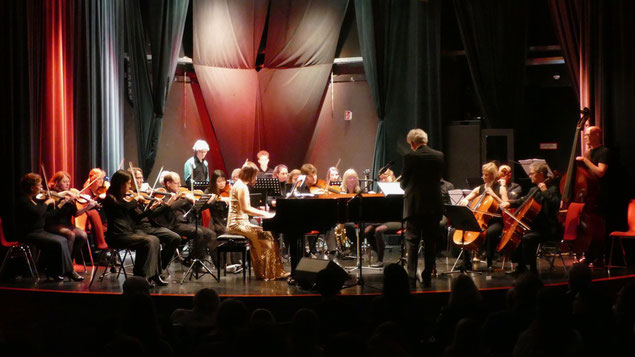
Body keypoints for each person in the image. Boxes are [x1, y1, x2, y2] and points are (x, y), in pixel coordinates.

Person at [102, 170, 168, 285]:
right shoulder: (110, 199)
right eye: (128, 183)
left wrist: (151, 208)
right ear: (121, 184)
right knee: (147, 241)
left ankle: (155, 275)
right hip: (117, 236)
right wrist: (135, 200)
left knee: (155, 240)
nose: (130, 186)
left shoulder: (123, 199)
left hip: (127, 233)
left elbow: (138, 217)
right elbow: (122, 208)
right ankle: (140, 277)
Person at [226, 161, 288, 280]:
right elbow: (246, 209)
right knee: (266, 235)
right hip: (236, 224)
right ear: (250, 175)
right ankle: (269, 273)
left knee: (267, 234)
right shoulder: (241, 187)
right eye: (254, 175)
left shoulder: (240, 185)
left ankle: (270, 272)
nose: (256, 178)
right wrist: (264, 213)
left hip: (241, 223)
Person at [15, 173, 82, 281]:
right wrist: (47, 203)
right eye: (39, 185)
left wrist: (60, 205)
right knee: (60, 241)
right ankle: (68, 271)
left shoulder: (33, 200)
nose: (42, 187)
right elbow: (38, 213)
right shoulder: (23, 200)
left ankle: (54, 271)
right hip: (30, 233)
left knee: (62, 240)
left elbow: (46, 215)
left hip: (39, 231)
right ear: (32, 188)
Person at [400, 128, 444, 287]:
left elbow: (403, 183)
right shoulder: (439, 155)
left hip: (415, 206)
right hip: (434, 206)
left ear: (412, 143)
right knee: (430, 242)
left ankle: (411, 275)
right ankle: (427, 274)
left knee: (412, 240)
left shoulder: (410, 156)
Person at [500, 162, 561, 273]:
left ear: (541, 174)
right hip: (535, 226)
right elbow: (523, 201)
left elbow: (555, 204)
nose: (529, 176)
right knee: (519, 235)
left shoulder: (552, 188)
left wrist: (545, 191)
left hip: (547, 227)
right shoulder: (533, 190)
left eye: (532, 173)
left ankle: (532, 269)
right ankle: (521, 266)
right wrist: (509, 203)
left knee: (527, 238)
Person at [153, 172, 218, 266]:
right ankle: (195, 264)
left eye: (180, 183)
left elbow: (197, 208)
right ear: (168, 183)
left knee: (210, 233)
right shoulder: (162, 194)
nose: (180, 185)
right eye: (177, 183)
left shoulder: (181, 195)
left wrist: (210, 202)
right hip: (171, 226)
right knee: (198, 232)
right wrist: (185, 200)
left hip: (184, 224)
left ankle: (192, 260)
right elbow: (169, 207)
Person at [129, 168, 182, 279]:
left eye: (141, 178)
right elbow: (137, 217)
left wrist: (166, 205)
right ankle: (146, 274)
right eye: (138, 178)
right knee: (153, 241)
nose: (140, 181)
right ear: (130, 180)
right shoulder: (129, 196)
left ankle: (159, 268)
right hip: (137, 227)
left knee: (175, 238)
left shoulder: (143, 194)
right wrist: (146, 206)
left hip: (150, 225)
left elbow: (152, 215)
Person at [458, 162, 508, 270]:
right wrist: (466, 200)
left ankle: (489, 262)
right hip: (481, 219)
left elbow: (506, 205)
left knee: (490, 233)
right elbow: (469, 196)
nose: (483, 177)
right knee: (465, 230)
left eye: (486, 174)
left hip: (496, 221)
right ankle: (466, 262)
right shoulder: (479, 188)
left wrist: (494, 195)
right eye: (483, 174)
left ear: (492, 175)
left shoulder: (500, 188)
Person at [45, 171, 95, 270]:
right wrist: (64, 200)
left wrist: (88, 207)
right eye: (64, 181)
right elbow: (50, 214)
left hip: (67, 224)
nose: (68, 184)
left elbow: (75, 214)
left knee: (82, 235)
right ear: (57, 182)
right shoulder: (52, 194)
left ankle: (69, 259)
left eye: (68, 181)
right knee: (70, 234)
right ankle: (65, 267)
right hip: (54, 224)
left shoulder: (70, 195)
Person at [575, 125, 610, 266]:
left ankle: (597, 257)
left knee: (597, 229)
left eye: (587, 135)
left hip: (600, 196)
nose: (585, 138)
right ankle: (587, 254)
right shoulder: (589, 152)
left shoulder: (604, 151)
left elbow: (600, 172)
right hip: (589, 196)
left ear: (596, 135)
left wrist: (585, 160)